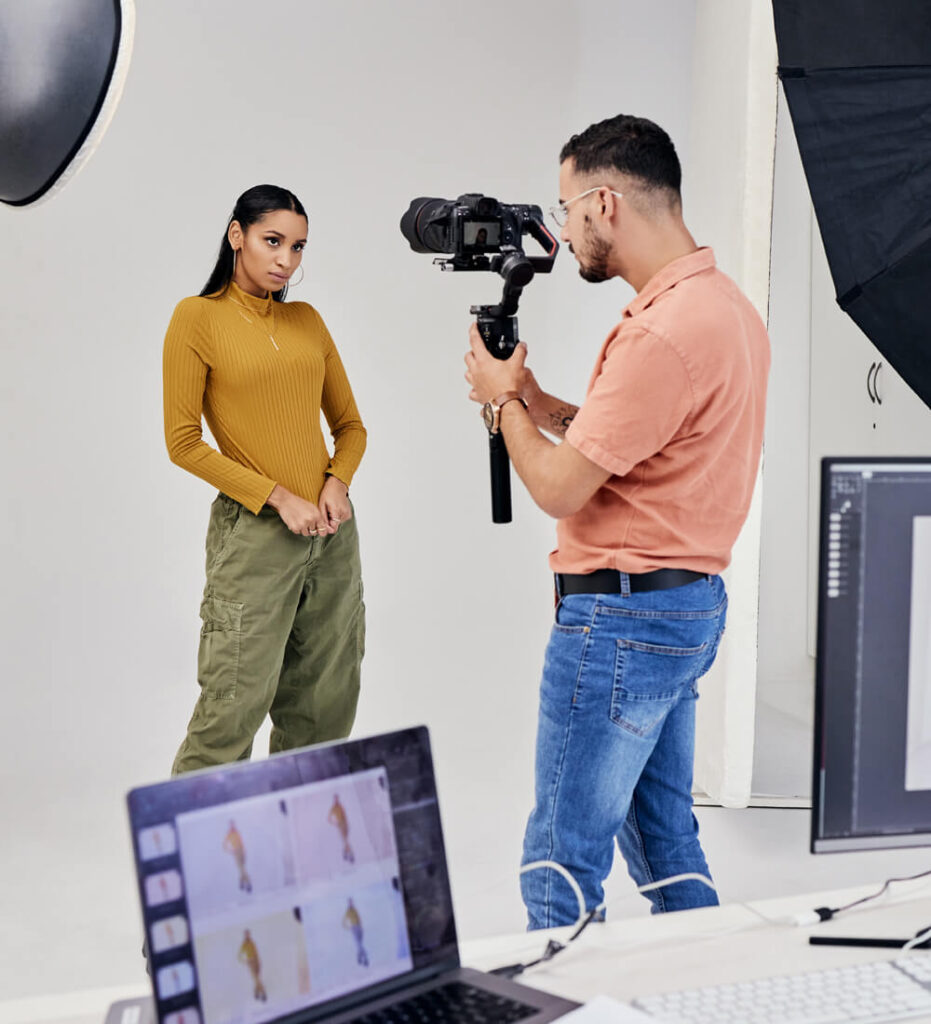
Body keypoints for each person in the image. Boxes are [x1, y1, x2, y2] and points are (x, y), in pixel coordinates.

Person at [463, 115, 770, 929]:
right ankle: (714, 981)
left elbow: (560, 488)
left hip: (621, 621)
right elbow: (638, 444)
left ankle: (556, 990)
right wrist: (534, 401)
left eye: (565, 210)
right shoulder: (723, 308)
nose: (562, 232)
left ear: (604, 203)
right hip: (683, 607)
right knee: (666, 843)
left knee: (559, 862)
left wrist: (500, 403)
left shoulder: (659, 333)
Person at [164, 184, 366, 774]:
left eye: (297, 247)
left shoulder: (306, 320)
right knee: (231, 709)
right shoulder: (197, 317)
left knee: (324, 709)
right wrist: (278, 497)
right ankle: (196, 836)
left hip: (331, 533)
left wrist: (336, 484)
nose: (286, 260)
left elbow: (351, 427)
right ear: (238, 235)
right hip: (254, 534)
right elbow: (182, 443)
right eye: (272, 241)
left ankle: (303, 832)